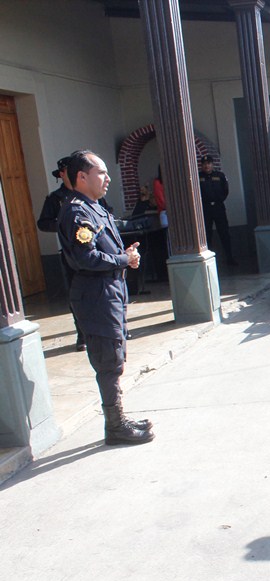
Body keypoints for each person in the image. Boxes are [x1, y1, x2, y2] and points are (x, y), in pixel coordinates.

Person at [56, 150, 154, 445]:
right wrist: (123, 260)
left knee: (115, 357)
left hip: (109, 292)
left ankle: (119, 418)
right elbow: (85, 258)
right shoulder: (76, 212)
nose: (107, 178)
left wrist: (126, 256)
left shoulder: (94, 207)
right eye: (101, 172)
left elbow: (107, 246)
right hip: (95, 296)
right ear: (81, 177)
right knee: (108, 361)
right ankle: (115, 426)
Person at [38, 155, 89, 352]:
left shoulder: (88, 192)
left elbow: (107, 211)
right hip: (71, 254)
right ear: (62, 174)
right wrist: (64, 223)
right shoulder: (55, 199)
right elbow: (43, 223)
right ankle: (82, 334)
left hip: (95, 250)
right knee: (77, 295)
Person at [198, 155, 236, 265]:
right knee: (207, 235)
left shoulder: (219, 175)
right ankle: (209, 261)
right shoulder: (199, 177)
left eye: (209, 163)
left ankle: (230, 258)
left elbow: (225, 190)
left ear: (212, 164)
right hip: (205, 209)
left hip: (218, 207)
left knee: (224, 233)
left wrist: (219, 200)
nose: (207, 166)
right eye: (205, 164)